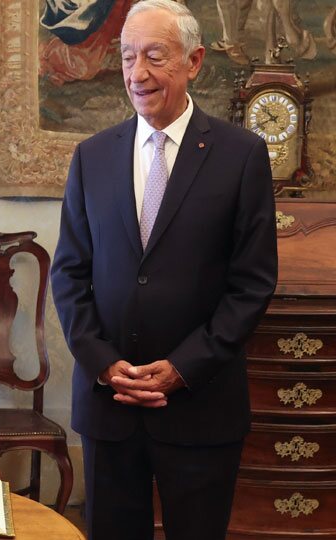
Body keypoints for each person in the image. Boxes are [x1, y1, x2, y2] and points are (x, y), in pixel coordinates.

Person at [50, 1, 278, 539]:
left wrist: (182, 367)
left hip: (201, 405)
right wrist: (104, 364)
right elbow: (69, 274)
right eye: (128, 57)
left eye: (155, 55)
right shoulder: (92, 157)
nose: (138, 73)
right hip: (110, 405)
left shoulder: (241, 156)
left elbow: (252, 285)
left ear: (194, 61)